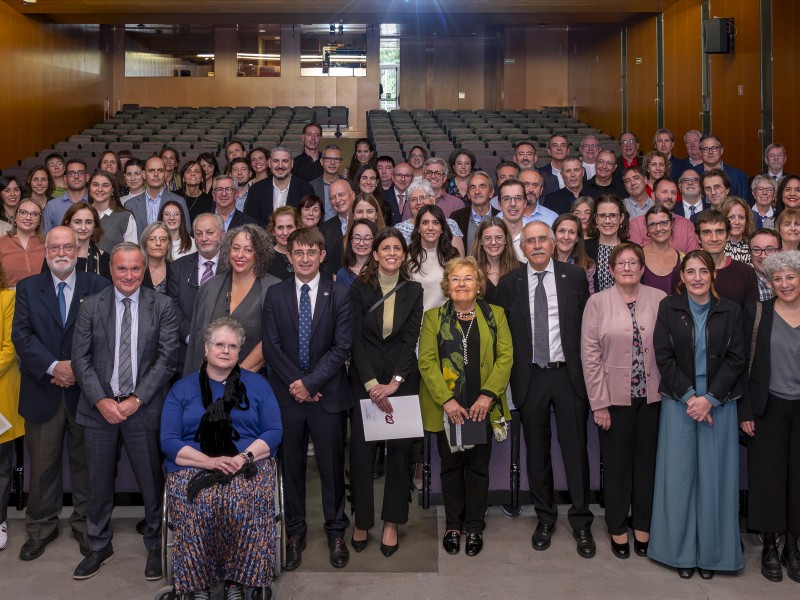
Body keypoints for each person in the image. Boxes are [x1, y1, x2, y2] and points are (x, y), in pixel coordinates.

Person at [71, 242, 178, 580]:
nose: (129, 275)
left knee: (150, 482)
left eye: (135, 268)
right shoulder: (91, 305)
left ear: (143, 270)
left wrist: (137, 399)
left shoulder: (162, 305)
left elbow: (167, 358)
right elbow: (80, 358)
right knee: (98, 484)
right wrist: (101, 401)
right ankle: (98, 544)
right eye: (122, 268)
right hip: (98, 410)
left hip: (142, 410)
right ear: (110, 270)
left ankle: (156, 544)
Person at [161, 317, 282, 599]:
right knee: (201, 500)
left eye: (232, 346)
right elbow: (169, 441)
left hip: (249, 462)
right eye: (219, 344)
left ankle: (237, 582)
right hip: (194, 464)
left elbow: (274, 431)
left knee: (242, 498)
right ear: (206, 348)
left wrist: (242, 458)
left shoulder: (258, 385)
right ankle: (196, 584)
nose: (225, 350)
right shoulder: (182, 389)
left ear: (240, 351)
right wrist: (210, 462)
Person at [494, 221, 595, 558]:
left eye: (543, 240)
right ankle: (545, 518)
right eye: (530, 241)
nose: (537, 245)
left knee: (575, 450)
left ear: (554, 244)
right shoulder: (509, 284)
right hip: (530, 377)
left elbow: (588, 328)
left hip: (568, 376)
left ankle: (581, 522)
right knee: (537, 453)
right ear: (522, 249)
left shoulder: (574, 277)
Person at [12, 226, 110, 561]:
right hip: (43, 389)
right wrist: (55, 367)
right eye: (55, 247)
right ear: (46, 250)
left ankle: (86, 527)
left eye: (69, 246)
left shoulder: (98, 286)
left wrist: (75, 370)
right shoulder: (27, 288)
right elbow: (22, 338)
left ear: (79, 249)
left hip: (85, 393)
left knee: (87, 466)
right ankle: (41, 527)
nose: (61, 252)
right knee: (42, 467)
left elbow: (104, 338)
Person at [649, 249, 746, 580]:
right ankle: (680, 553)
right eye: (690, 272)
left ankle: (714, 556)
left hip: (719, 405)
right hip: (680, 403)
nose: (697, 278)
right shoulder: (668, 307)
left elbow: (737, 358)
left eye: (703, 271)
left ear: (713, 275)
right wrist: (692, 397)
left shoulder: (731, 310)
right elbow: (663, 357)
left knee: (716, 481)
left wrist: (711, 399)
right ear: (682, 277)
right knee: (678, 481)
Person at [261, 227, 354, 570]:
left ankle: (336, 532)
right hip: (287, 398)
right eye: (297, 252)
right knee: (292, 469)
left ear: (321, 255)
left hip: (327, 397)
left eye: (310, 252)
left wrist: (312, 382)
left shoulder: (340, 293)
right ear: (289, 255)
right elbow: (272, 347)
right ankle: (295, 533)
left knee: (331, 468)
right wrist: (298, 384)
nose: (304, 258)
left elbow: (342, 346)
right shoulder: (275, 294)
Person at [419, 256, 512, 557]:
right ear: (447, 285)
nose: (461, 283)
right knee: (450, 467)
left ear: (478, 284)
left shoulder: (495, 314)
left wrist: (487, 396)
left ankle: (474, 526)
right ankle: (452, 525)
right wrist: (447, 401)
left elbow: (505, 357)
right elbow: (427, 361)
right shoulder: (434, 317)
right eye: (456, 278)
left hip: (481, 408)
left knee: (477, 468)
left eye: (468, 278)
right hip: (450, 410)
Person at [581, 242, 665, 560]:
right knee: (616, 467)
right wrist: (599, 403)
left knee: (647, 465)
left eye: (634, 262)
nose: (628, 267)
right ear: (612, 269)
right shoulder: (597, 303)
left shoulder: (660, 300)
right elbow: (590, 356)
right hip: (614, 401)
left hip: (654, 399)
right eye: (621, 263)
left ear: (643, 269)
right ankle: (617, 527)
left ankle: (642, 525)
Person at [348, 227, 424, 556]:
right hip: (365, 383)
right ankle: (362, 520)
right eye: (385, 248)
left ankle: (392, 521)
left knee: (399, 454)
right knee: (362, 456)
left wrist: (394, 382)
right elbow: (354, 340)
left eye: (397, 248)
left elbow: (410, 341)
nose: (391, 252)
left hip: (402, 382)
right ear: (375, 254)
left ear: (404, 254)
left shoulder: (414, 290)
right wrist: (371, 385)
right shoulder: (358, 288)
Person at [741, 250, 800, 584]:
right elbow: (744, 366)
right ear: (768, 282)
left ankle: (793, 545)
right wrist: (745, 410)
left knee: (798, 479)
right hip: (767, 408)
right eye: (777, 278)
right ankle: (769, 547)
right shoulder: (757, 313)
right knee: (767, 479)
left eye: (790, 277)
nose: (784, 284)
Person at [184, 224, 279, 376]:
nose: (240, 255)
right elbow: (197, 339)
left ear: (259, 254)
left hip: (251, 379)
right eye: (236, 248)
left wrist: (236, 377)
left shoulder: (274, 289)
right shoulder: (209, 287)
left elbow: (272, 340)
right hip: (209, 379)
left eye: (248, 250)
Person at [168, 213, 226, 368]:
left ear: (222, 234)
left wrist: (218, 341)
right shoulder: (178, 267)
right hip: (186, 353)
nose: (204, 238)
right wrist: (191, 337)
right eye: (199, 233)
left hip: (225, 351)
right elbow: (173, 307)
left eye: (210, 232)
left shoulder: (233, 268)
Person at [680, 210, 759, 307]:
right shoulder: (685, 271)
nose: (714, 238)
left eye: (720, 232)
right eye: (706, 233)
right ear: (698, 238)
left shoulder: (746, 272)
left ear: (728, 236)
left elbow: (752, 315)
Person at [0, 262, 22, 552]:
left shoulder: (7, 298)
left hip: (1, 393)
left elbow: (9, 347)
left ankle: (0, 519)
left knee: (1, 465)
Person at [409, 204, 462, 311]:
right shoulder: (407, 256)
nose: (430, 228)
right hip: (414, 323)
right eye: (425, 223)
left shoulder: (453, 257)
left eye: (436, 223)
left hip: (444, 322)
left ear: (442, 228)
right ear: (418, 228)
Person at [245, 146, 314, 227]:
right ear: (269, 163)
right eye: (276, 161)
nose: (280, 166)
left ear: (292, 163)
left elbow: (308, 222)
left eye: (285, 161)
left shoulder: (305, 189)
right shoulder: (256, 190)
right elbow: (251, 223)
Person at [394, 180, 465, 255]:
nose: (418, 202)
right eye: (413, 199)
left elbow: (459, 261)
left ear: (433, 200)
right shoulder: (400, 229)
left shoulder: (450, 224)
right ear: (408, 205)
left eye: (423, 197)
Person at [125, 156, 190, 238]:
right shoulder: (130, 205)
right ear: (144, 174)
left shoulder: (179, 201)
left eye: (160, 171)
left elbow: (186, 234)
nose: (156, 174)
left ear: (165, 174)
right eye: (151, 171)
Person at [585, 194, 630, 292]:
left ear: (621, 218)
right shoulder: (584, 248)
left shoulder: (633, 249)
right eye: (602, 216)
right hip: (592, 306)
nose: (607, 221)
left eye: (613, 215)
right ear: (596, 218)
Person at [88, 170, 138, 255]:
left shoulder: (125, 217)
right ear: (89, 188)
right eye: (95, 185)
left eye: (105, 185)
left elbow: (132, 253)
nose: (100, 189)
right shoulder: (79, 214)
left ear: (112, 190)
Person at [450, 171, 499, 251]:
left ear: (491, 192)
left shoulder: (500, 217)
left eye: (482, 187)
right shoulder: (456, 218)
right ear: (468, 194)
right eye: (473, 187)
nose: (477, 192)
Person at [0, 199, 45, 286]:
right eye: (23, 212)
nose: (28, 217)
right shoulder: (1, 244)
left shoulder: (48, 245)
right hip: (9, 298)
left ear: (39, 221)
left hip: (42, 297)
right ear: (15, 216)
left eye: (35, 214)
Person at [60, 203, 111, 279]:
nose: (83, 228)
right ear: (68, 224)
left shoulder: (105, 258)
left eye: (88, 222)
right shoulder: (56, 255)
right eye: (77, 222)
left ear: (95, 226)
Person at [470, 216, 520, 294]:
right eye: (487, 238)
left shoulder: (520, 269)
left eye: (499, 237)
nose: (493, 242)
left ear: (506, 240)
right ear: (481, 241)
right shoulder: (470, 271)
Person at [641, 206, 682, 296]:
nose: (658, 229)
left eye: (664, 223)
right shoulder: (637, 256)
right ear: (647, 228)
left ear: (672, 225)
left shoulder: (683, 259)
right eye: (652, 224)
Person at [552, 213, 596, 293]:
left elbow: (589, 298)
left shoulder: (588, 266)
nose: (566, 237)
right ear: (554, 234)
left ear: (577, 238)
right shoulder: (544, 261)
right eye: (561, 231)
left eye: (572, 232)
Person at [336, 218, 377, 287]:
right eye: (357, 238)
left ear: (375, 241)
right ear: (351, 240)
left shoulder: (381, 270)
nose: (361, 243)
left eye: (367, 238)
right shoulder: (342, 274)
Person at [310, 144, 347, 219]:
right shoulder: (311, 186)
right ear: (321, 162)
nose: (332, 162)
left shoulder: (349, 185)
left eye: (336, 159)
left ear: (341, 163)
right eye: (328, 159)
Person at [266, 206, 301, 281]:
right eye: (280, 227)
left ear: (297, 228)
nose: (285, 233)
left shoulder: (306, 256)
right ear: (273, 231)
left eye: (289, 227)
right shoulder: (265, 259)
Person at [719, 196, 754, 265]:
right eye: (731, 217)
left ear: (746, 222)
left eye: (741, 217)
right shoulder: (714, 248)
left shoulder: (754, 250)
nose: (737, 222)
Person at [140, 221, 172, 294]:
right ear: (145, 243)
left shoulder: (176, 270)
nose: (158, 243)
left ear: (169, 244)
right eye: (152, 239)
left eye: (163, 239)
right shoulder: (136, 270)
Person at [749, 228, 781, 301]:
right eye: (756, 250)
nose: (763, 256)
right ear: (750, 253)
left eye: (769, 249)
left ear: (780, 251)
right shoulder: (744, 284)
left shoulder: (793, 281)